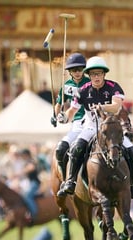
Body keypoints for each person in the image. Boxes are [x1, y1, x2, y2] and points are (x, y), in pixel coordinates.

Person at [56, 56, 133, 199]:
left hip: (112, 128)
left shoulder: (113, 87)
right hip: (91, 126)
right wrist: (64, 117)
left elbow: (116, 106)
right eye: (93, 74)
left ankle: (132, 185)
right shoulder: (82, 90)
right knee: (76, 148)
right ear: (88, 75)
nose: (96, 77)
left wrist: (102, 106)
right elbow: (72, 111)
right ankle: (70, 181)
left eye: (99, 73)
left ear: (104, 74)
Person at [50, 53, 90, 182]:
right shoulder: (67, 86)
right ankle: (65, 179)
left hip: (94, 120)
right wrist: (56, 116)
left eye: (80, 69)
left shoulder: (91, 83)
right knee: (60, 149)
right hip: (78, 122)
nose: (77, 72)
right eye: (74, 70)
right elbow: (59, 104)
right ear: (70, 72)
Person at [18, 148, 41, 222]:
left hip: (35, 183)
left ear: (26, 155)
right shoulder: (27, 162)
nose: (21, 157)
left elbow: (32, 168)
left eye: (22, 155)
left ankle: (34, 214)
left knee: (28, 197)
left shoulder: (31, 161)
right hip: (30, 183)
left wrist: (22, 172)